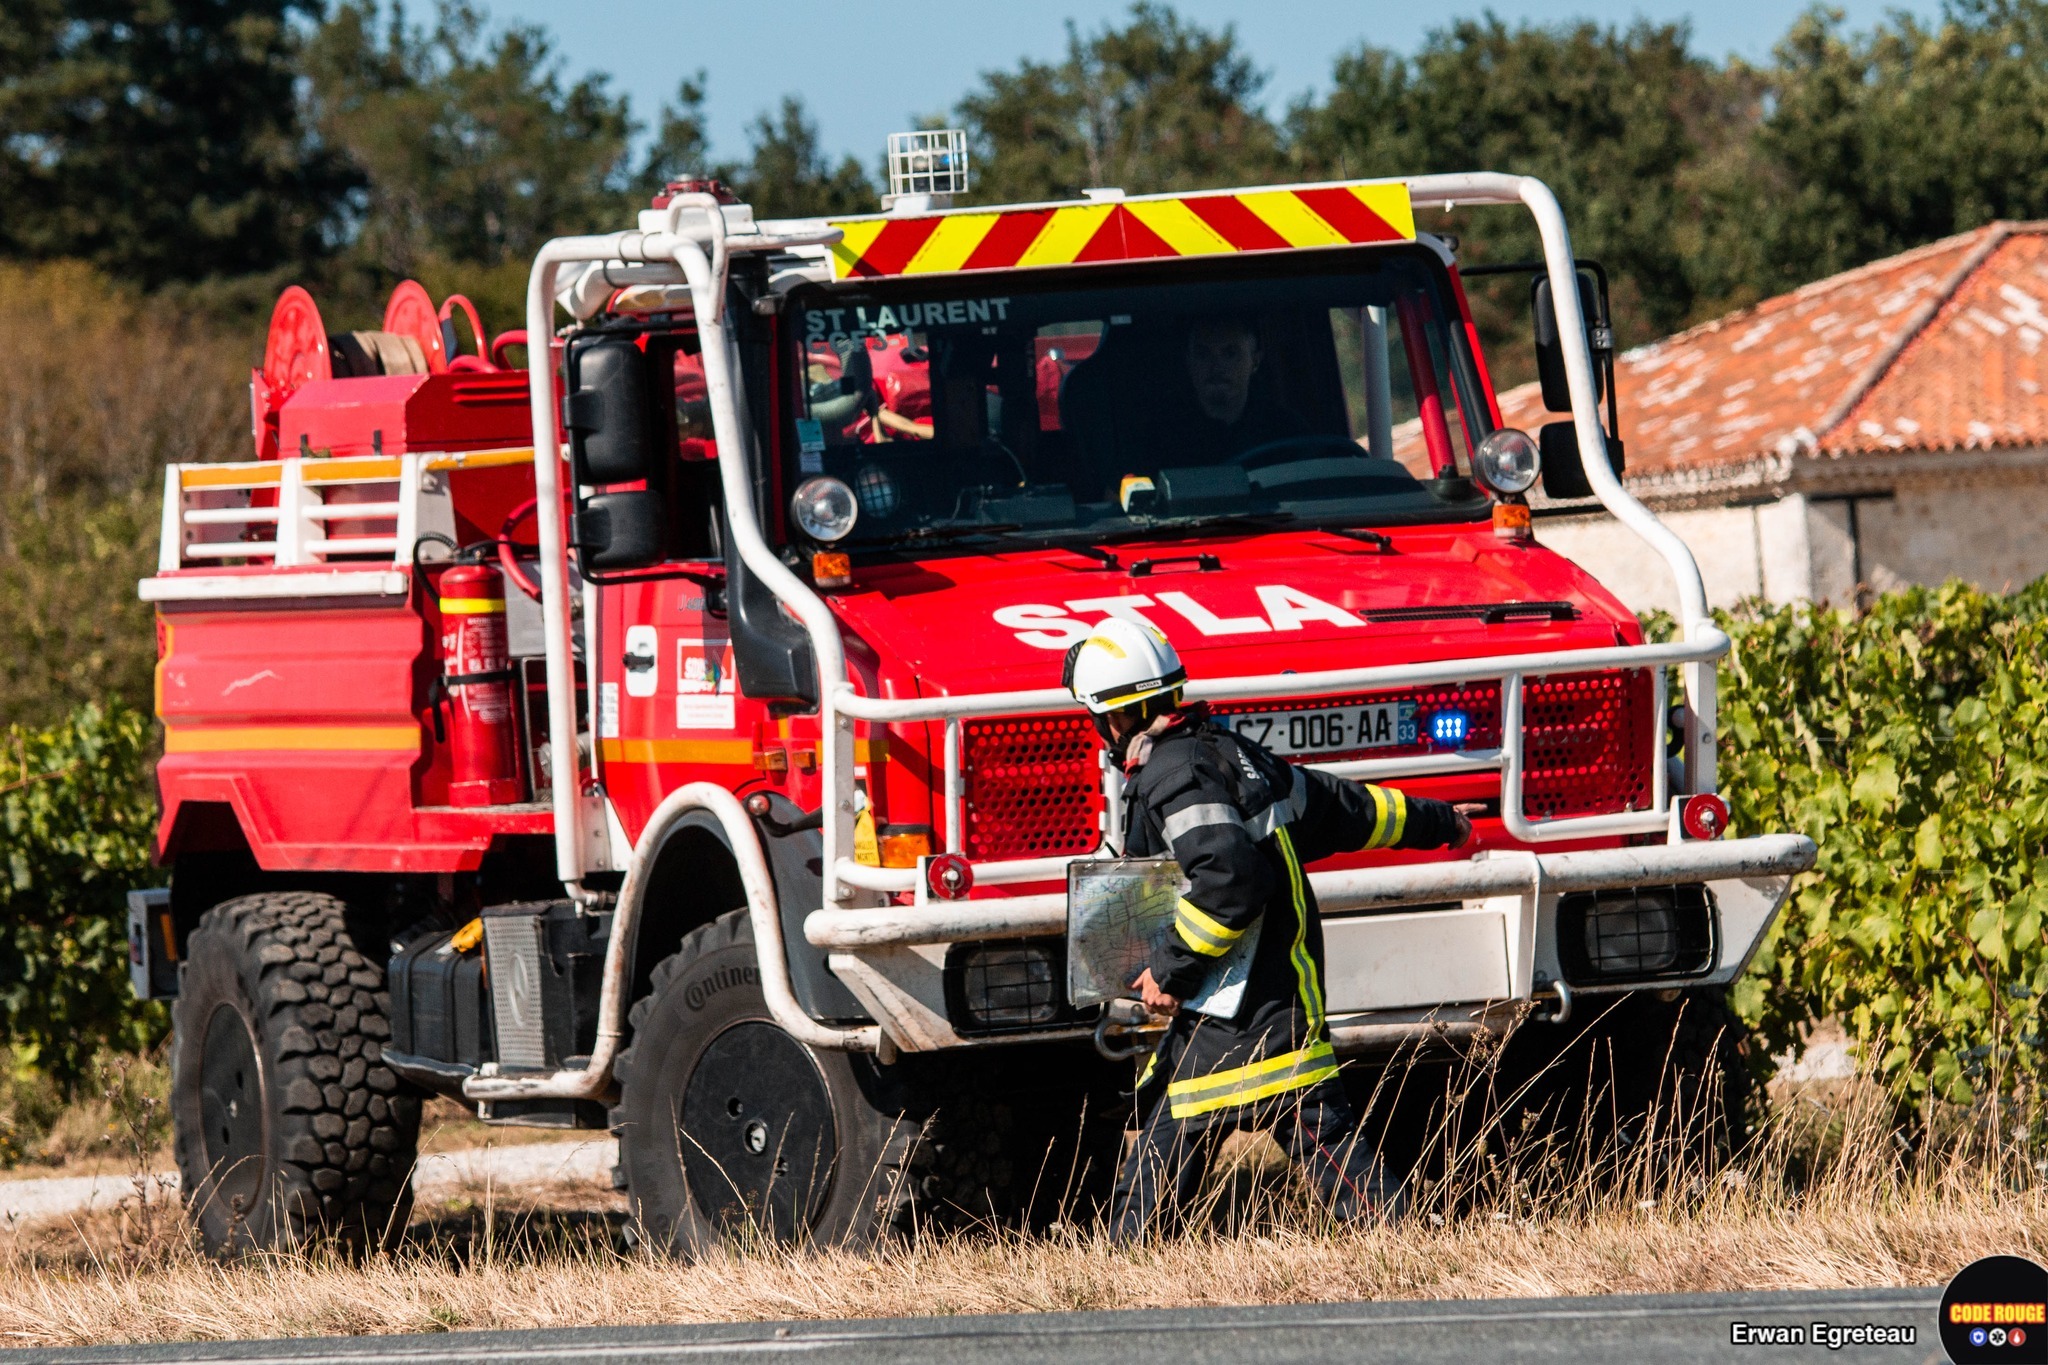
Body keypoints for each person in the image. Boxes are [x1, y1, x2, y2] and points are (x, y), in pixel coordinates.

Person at [1061, 617, 1472, 1240]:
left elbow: (1229, 877)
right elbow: (1347, 809)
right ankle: (1125, 1260)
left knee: (1306, 1135)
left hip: (1246, 1001)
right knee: (1190, 1129)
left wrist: (1173, 966)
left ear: (1111, 717)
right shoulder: (1232, 755)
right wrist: (1440, 820)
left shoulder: (1174, 776)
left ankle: (1410, 1246)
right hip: (1259, 995)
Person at [1174, 316, 1308, 464]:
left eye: (1230, 354)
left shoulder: (1287, 431)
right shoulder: (1167, 435)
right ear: (1189, 362)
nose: (1216, 367)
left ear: (1255, 361)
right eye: (1203, 354)